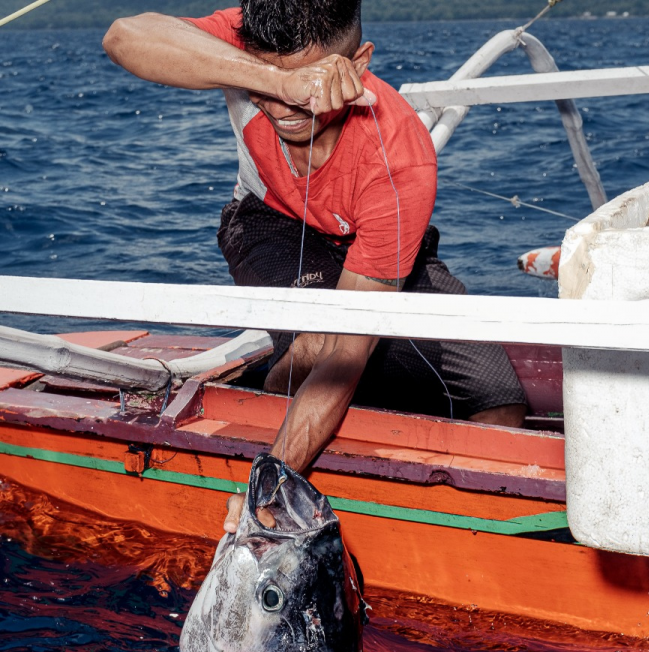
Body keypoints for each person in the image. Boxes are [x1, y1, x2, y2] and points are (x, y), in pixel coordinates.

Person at [103, 0, 528, 532]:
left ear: (360, 63)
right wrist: (280, 80)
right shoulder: (253, 36)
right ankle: (275, 389)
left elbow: (348, 352)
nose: (283, 110)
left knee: (501, 400)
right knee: (314, 343)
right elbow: (125, 35)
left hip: (367, 235)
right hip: (268, 221)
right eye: (273, 88)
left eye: (306, 86)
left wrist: (273, 480)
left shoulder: (400, 163)